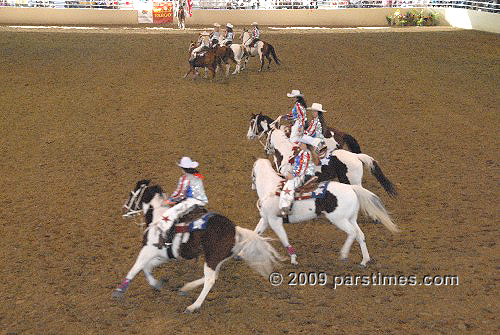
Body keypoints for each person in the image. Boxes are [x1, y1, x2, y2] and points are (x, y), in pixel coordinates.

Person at [159, 157, 208, 237]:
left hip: (191, 201)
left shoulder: (185, 178)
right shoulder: (197, 176)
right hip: (201, 202)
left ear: (182, 168)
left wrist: (169, 201)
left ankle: (167, 238)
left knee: (167, 215)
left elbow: (180, 193)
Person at [279, 142, 316, 217]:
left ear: (305, 145)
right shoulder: (303, 152)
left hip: (304, 175)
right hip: (302, 173)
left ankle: (285, 208)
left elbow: (303, 167)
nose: (299, 145)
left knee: (289, 185)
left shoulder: (306, 153)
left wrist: (292, 175)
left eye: (301, 144)